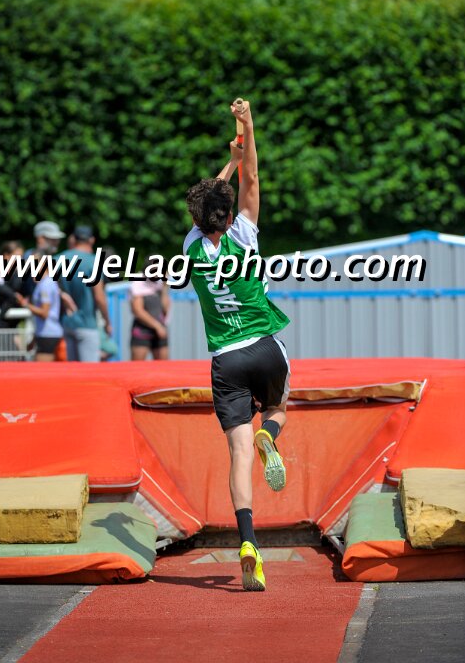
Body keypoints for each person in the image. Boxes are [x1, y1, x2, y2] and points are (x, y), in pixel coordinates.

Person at [183, 100, 290, 591]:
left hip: (225, 360)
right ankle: (272, 431)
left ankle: (248, 543)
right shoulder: (243, 234)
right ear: (228, 217)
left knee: (237, 455)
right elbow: (251, 181)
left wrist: (227, 161)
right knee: (281, 406)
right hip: (263, 346)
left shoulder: (190, 248)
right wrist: (246, 129)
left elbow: (207, 202)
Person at [57, 225, 112, 362]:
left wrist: (62, 295)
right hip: (87, 323)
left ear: (74, 239)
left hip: (67, 322)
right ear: (91, 240)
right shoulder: (93, 262)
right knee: (89, 372)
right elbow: (99, 297)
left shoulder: (58, 259)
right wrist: (107, 321)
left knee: (73, 371)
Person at [17, 256, 63, 362]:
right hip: (46, 332)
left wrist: (25, 304)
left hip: (48, 333)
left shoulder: (45, 284)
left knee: (43, 369)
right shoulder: (46, 282)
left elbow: (44, 313)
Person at [130, 258, 170, 360]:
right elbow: (138, 310)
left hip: (160, 329)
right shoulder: (139, 282)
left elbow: (165, 309)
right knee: (137, 366)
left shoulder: (160, 283)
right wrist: (156, 326)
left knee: (164, 366)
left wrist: (165, 287)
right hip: (143, 329)